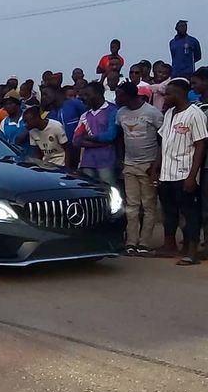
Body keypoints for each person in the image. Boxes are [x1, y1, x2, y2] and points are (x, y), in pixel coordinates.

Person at [154, 78, 208, 264]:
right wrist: (157, 166)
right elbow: (164, 141)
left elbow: (200, 145)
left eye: (168, 94)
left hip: (184, 173)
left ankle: (191, 251)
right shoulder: (169, 113)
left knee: (189, 214)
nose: (165, 97)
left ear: (179, 94)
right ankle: (169, 246)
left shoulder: (195, 114)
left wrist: (193, 176)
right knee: (169, 212)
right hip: (167, 173)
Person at [115, 82, 164, 255]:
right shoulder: (121, 113)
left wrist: (156, 164)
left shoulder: (152, 113)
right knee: (132, 205)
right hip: (130, 165)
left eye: (119, 95)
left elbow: (162, 140)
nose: (116, 98)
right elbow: (119, 137)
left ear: (128, 95)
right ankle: (131, 242)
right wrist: (121, 159)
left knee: (149, 205)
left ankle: (144, 243)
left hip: (148, 165)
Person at [73, 81, 119, 186]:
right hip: (87, 162)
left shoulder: (112, 110)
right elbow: (76, 140)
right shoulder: (85, 115)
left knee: (109, 192)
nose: (84, 98)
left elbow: (110, 136)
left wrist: (88, 138)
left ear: (98, 94)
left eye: (87, 95)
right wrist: (100, 143)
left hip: (107, 161)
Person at [40, 85, 86, 168]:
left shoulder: (74, 104)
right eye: (42, 95)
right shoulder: (50, 115)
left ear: (56, 93)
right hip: (61, 156)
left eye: (46, 94)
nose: (43, 97)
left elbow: (87, 120)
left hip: (80, 151)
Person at [190, 67, 208, 254]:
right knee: (201, 205)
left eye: (195, 83)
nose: (192, 87)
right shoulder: (195, 107)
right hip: (198, 163)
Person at [0, 90, 30, 158]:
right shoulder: (4, 123)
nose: (8, 106)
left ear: (18, 104)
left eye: (10, 103)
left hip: (30, 160)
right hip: (13, 161)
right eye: (6, 104)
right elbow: (2, 144)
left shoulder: (28, 117)